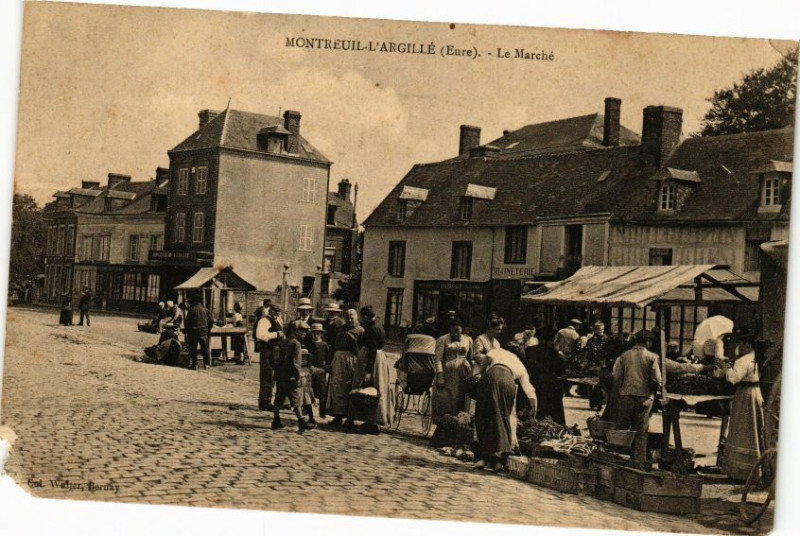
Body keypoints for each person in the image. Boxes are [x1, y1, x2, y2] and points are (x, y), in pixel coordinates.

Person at [473, 347, 538, 471]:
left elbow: (487, 357)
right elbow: (529, 390)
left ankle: (481, 459)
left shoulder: (498, 351)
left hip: (490, 378)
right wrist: (533, 408)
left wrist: (481, 373)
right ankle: (498, 461)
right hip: (509, 383)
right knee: (503, 417)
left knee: (483, 415)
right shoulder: (520, 365)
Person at [715, 328, 764, 481]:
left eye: (741, 344)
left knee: (742, 429)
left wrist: (725, 366)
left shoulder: (743, 360)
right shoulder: (757, 357)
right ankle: (755, 470)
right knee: (753, 430)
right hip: (756, 392)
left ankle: (741, 472)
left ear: (747, 344)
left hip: (745, 395)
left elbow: (733, 378)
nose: (739, 347)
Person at [612, 330, 662, 462]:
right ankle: (639, 461)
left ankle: (617, 459)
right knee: (641, 431)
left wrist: (620, 391)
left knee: (622, 428)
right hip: (644, 397)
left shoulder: (624, 355)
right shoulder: (652, 357)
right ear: (647, 342)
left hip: (626, 395)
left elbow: (617, 377)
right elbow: (657, 379)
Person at [347, 305, 394, 435]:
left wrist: (368, 370)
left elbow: (372, 350)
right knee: (374, 387)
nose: (362, 320)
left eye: (363, 317)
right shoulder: (377, 326)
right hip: (375, 359)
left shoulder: (373, 329)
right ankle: (369, 419)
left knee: (368, 388)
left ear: (367, 317)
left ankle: (371, 421)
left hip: (371, 360)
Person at [271, 320, 316, 433]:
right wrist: (297, 376)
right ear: (296, 331)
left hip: (280, 374)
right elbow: (296, 362)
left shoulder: (282, 342)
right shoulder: (296, 343)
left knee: (279, 397)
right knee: (295, 399)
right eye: (303, 331)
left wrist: (276, 371)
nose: (305, 334)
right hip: (291, 375)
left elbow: (273, 358)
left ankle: (276, 420)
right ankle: (301, 422)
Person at [325, 309, 363, 428]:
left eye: (352, 317)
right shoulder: (339, 329)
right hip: (338, 359)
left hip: (353, 360)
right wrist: (329, 362)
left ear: (357, 317)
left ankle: (350, 417)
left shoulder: (361, 331)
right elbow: (332, 346)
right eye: (347, 317)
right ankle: (338, 415)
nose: (349, 319)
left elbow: (363, 349)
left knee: (351, 386)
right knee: (337, 387)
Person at [523, 326, 566, 425]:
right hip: (549, 390)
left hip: (531, 387)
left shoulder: (528, 351)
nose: (555, 341)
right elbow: (561, 370)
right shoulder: (554, 354)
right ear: (549, 340)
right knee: (551, 419)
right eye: (554, 339)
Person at [432, 319, 473, 421]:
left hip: (463, 374)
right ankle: (445, 423)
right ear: (450, 329)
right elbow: (438, 359)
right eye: (454, 331)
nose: (456, 334)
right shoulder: (442, 339)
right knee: (448, 400)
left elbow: (471, 357)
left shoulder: (467, 340)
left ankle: (459, 424)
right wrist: (440, 376)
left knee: (462, 399)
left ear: (462, 330)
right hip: (448, 374)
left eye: (458, 332)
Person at [255, 304, 284, 411]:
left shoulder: (276, 320)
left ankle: (270, 400)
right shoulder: (264, 321)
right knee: (267, 375)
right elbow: (259, 335)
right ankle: (265, 402)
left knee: (274, 376)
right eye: (275, 311)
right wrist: (277, 334)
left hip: (275, 350)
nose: (277, 314)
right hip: (267, 350)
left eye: (278, 312)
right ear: (270, 311)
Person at [185, 293, 214, 370]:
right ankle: (206, 364)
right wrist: (208, 329)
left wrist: (187, 331)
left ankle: (195, 364)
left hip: (193, 332)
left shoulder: (191, 310)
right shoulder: (206, 309)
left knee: (193, 348)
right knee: (204, 348)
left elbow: (187, 322)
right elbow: (211, 321)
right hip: (204, 332)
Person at [309, 323, 332, 417]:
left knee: (322, 391)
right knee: (309, 390)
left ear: (321, 334)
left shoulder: (325, 345)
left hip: (321, 370)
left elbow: (328, 358)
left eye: (318, 333)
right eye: (314, 333)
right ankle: (307, 410)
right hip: (311, 369)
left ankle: (322, 411)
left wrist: (326, 367)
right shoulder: (309, 344)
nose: (316, 335)